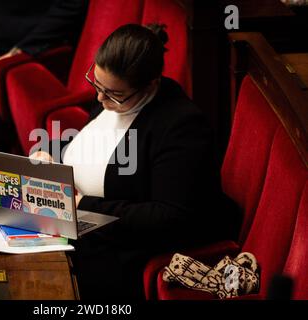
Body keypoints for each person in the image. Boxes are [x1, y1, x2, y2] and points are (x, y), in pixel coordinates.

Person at [31, 23, 240, 299]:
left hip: (121, 250)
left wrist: (84, 206)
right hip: (74, 221)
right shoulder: (112, 95)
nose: (100, 98)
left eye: (113, 94)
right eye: (96, 84)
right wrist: (49, 154)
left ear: (151, 84)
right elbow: (93, 145)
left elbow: (170, 216)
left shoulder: (181, 127)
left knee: (36, 284)